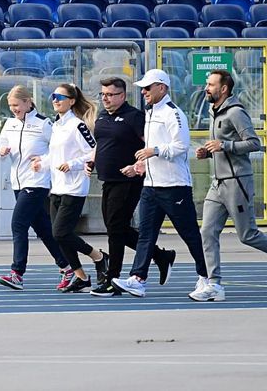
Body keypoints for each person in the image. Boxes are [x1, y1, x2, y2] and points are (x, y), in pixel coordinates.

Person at [190, 70, 267, 301]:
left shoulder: (235, 112)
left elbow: (254, 143)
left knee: (248, 235)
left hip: (237, 183)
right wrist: (207, 152)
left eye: (211, 84)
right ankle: (214, 284)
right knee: (206, 231)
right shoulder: (213, 110)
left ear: (224, 89)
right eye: (207, 84)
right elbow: (221, 146)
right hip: (218, 183)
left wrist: (225, 146)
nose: (206, 88)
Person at [111, 69, 208, 298]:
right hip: (151, 186)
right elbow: (153, 149)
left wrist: (153, 151)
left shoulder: (174, 114)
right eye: (142, 88)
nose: (143, 91)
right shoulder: (151, 112)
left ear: (161, 88)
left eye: (147, 87)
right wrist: (140, 167)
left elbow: (181, 146)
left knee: (190, 234)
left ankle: (207, 275)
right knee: (146, 234)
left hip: (174, 186)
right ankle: (138, 278)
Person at [88, 77, 177, 297]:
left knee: (116, 230)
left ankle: (112, 279)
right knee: (115, 227)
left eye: (110, 95)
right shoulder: (102, 116)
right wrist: (92, 161)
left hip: (128, 181)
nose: (105, 99)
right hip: (107, 180)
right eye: (103, 94)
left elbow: (150, 145)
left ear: (122, 95)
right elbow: (101, 143)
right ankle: (160, 256)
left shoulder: (135, 117)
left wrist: (138, 165)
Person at [32, 83, 108, 293]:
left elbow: (94, 151)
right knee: (59, 235)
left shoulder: (77, 125)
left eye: (60, 96)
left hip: (74, 187)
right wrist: (42, 162)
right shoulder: (57, 124)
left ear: (72, 101)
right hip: (56, 187)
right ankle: (81, 277)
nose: (55, 100)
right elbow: (56, 155)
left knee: (60, 233)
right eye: (53, 96)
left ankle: (98, 256)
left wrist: (73, 164)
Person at [0, 85, 72, 291]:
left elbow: (58, 149)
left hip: (36, 182)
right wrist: (2, 151)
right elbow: (1, 145)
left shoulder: (43, 124)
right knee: (44, 229)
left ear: (28, 102)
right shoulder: (10, 124)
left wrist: (43, 161)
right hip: (17, 182)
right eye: (10, 105)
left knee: (18, 224)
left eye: (17, 105)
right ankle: (68, 267)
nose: (14, 109)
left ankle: (17, 273)